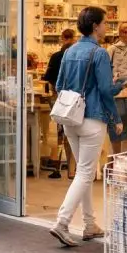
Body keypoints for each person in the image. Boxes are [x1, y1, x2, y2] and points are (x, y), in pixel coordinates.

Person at [50, 6, 126, 248]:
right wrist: (119, 89)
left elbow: (59, 84)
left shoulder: (70, 51)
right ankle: (62, 223)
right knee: (85, 173)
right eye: (105, 24)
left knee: (82, 174)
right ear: (95, 26)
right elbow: (105, 90)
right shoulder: (100, 53)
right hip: (93, 118)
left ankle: (90, 224)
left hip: (71, 117)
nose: (107, 28)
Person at [43, 29, 77, 179]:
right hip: (75, 98)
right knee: (72, 133)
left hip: (60, 98)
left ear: (62, 38)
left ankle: (56, 166)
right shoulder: (78, 57)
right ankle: (71, 169)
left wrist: (55, 92)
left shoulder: (56, 56)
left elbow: (49, 78)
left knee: (59, 133)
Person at [108, 24, 127, 153]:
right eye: (123, 32)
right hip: (116, 92)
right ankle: (116, 155)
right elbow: (107, 69)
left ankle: (126, 155)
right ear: (119, 33)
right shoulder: (111, 49)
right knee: (116, 122)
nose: (126, 34)